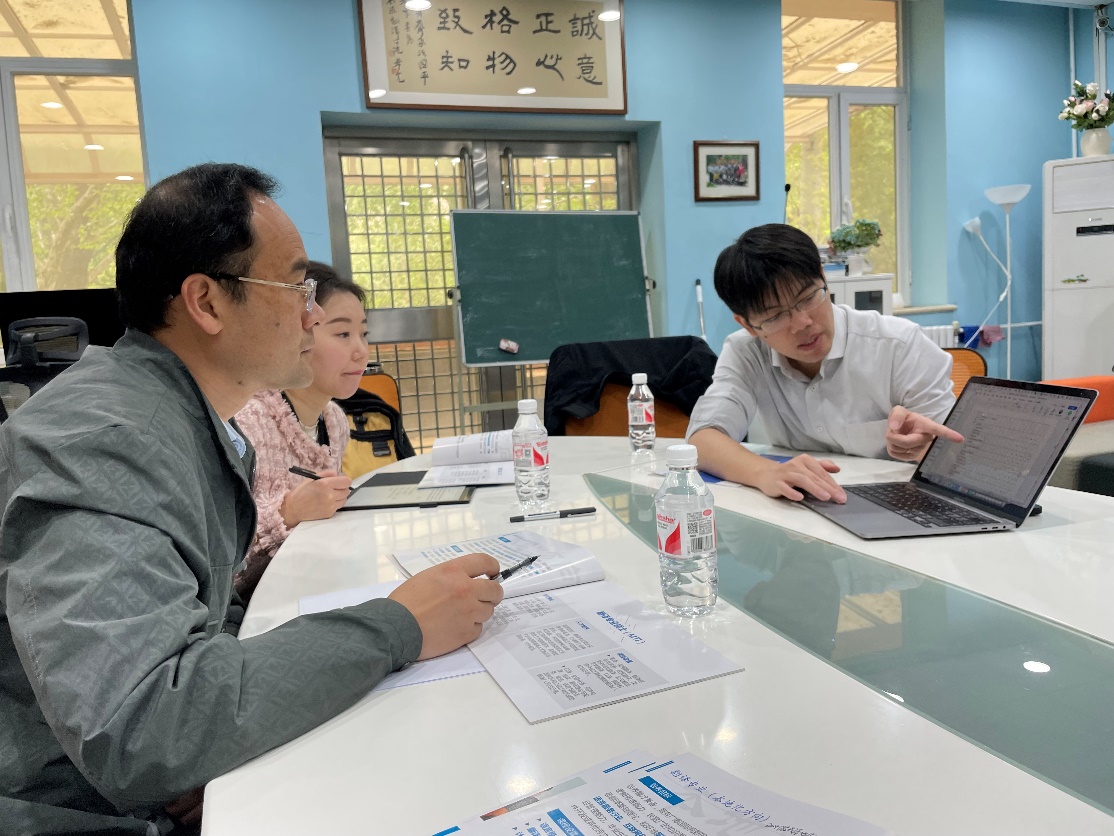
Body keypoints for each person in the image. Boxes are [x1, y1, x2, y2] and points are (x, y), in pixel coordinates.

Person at [0, 162, 503, 835]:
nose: (312, 314)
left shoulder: (188, 418)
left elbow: (196, 628)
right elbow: (141, 730)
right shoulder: (104, 440)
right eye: (296, 286)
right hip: (71, 810)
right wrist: (398, 625)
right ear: (206, 302)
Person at [688, 223, 963, 504]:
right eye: (775, 316)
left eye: (808, 298)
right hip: (804, 508)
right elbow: (702, 440)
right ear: (747, 325)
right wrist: (766, 473)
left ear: (823, 277)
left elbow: (961, 457)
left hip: (902, 506)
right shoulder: (746, 352)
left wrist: (928, 450)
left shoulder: (899, 345)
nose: (802, 323)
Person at [233, 262, 366, 599]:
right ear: (299, 332)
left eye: (364, 334)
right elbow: (220, 551)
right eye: (343, 334)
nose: (361, 351)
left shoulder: (334, 420)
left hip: (311, 583)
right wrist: (288, 512)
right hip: (253, 607)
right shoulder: (248, 421)